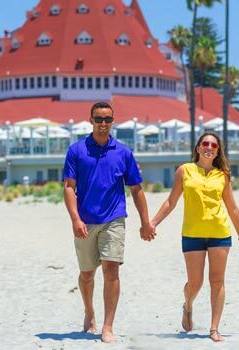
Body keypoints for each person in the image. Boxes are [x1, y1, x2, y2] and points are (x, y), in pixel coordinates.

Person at [63, 101, 154, 343]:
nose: (103, 124)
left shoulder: (123, 152)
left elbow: (136, 189)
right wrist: (75, 218)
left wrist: (145, 223)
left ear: (113, 121)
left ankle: (108, 326)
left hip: (114, 218)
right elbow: (69, 187)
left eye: (107, 119)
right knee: (86, 274)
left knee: (111, 270)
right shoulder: (76, 150)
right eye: (98, 119)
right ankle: (89, 311)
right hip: (85, 220)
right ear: (90, 120)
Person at [149, 131, 239, 342]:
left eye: (214, 145)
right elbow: (171, 201)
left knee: (217, 281)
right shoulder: (184, 171)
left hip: (219, 234)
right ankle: (188, 305)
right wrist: (153, 222)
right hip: (192, 234)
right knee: (195, 282)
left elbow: (233, 208)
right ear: (197, 148)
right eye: (205, 143)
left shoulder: (222, 175)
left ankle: (214, 328)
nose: (209, 147)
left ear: (218, 150)